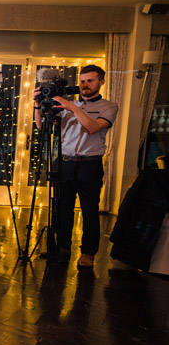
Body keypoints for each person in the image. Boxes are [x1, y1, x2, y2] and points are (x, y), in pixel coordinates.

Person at [34, 65, 119, 268]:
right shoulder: (66, 104)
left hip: (89, 165)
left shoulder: (109, 106)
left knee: (90, 211)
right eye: (82, 81)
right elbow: (41, 126)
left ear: (101, 82)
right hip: (65, 161)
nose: (85, 85)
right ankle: (62, 248)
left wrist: (72, 108)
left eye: (90, 80)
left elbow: (92, 127)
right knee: (62, 209)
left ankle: (88, 253)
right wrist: (37, 105)